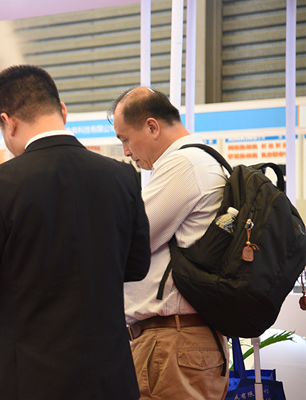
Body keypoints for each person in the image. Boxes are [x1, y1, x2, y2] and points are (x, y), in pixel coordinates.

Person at [0, 65, 151, 400]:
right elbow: (137, 266)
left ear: (8, 122)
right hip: (108, 378)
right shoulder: (122, 177)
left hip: (28, 379)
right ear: (62, 111)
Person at [109, 87, 230, 399]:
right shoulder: (203, 160)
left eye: (125, 139)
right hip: (181, 342)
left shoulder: (185, 164)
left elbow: (129, 240)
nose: (126, 152)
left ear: (152, 126)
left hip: (173, 342)